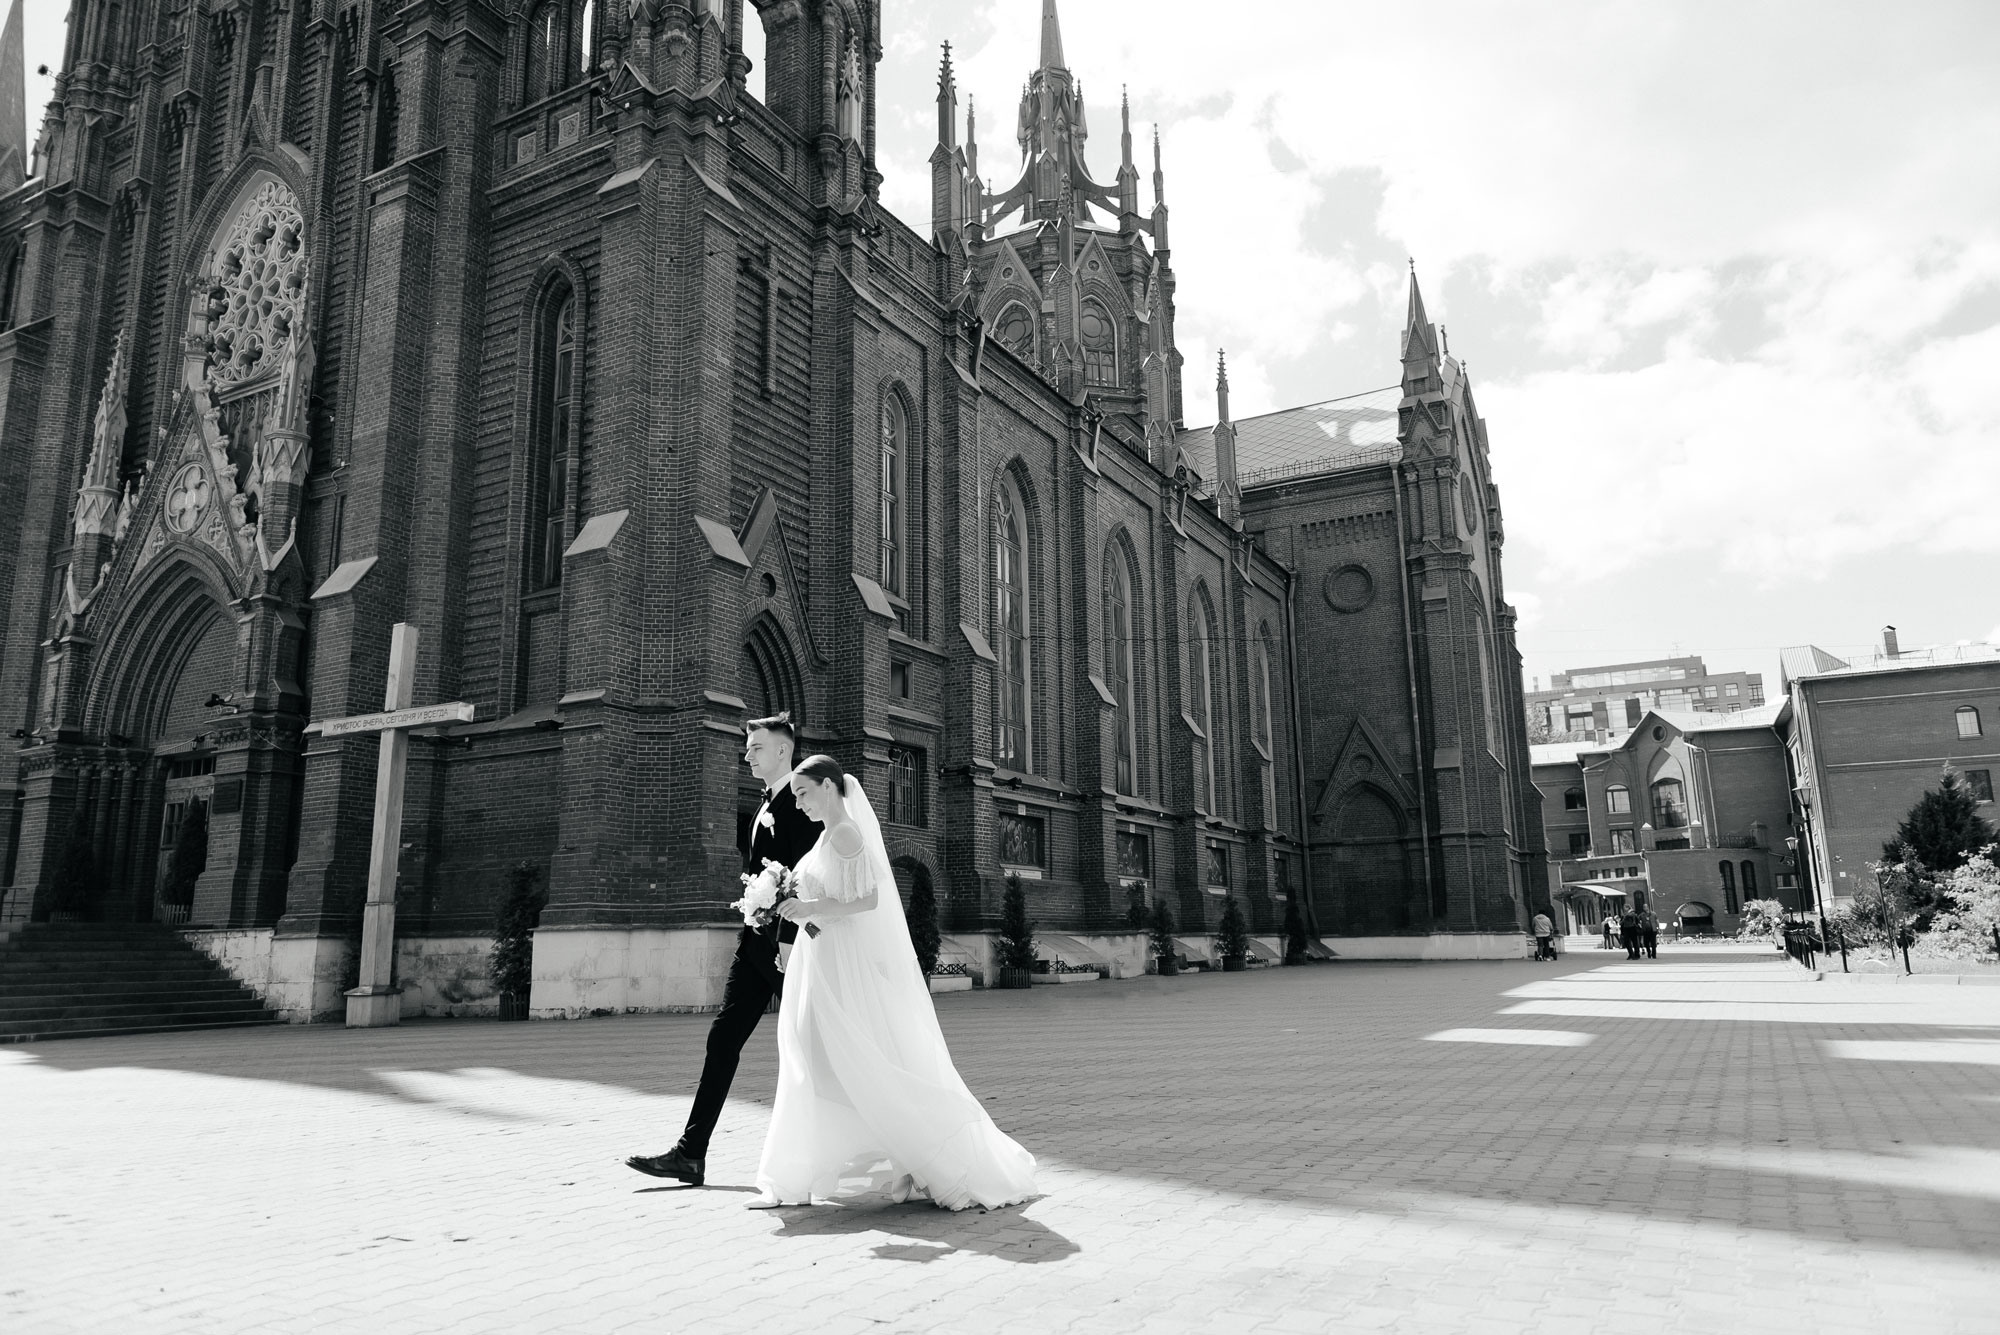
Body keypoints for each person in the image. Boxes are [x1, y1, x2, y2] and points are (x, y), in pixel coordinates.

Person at [753, 754, 1038, 1211]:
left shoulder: (846, 833)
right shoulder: (829, 834)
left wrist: (809, 910)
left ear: (828, 787)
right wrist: (788, 907)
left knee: (844, 1058)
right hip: (822, 956)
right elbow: (828, 898)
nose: (799, 803)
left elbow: (867, 900)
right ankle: (810, 1171)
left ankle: (906, 1151)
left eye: (804, 793)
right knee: (813, 1056)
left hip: (841, 964)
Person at [626, 713, 820, 1188]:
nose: (748, 754)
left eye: (756, 747)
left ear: (782, 751)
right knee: (723, 1039)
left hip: (787, 949)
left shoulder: (800, 805)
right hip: (756, 943)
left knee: (824, 1047)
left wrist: (790, 944)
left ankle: (884, 1145)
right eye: (748, 747)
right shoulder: (764, 803)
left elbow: (808, 877)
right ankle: (690, 1154)